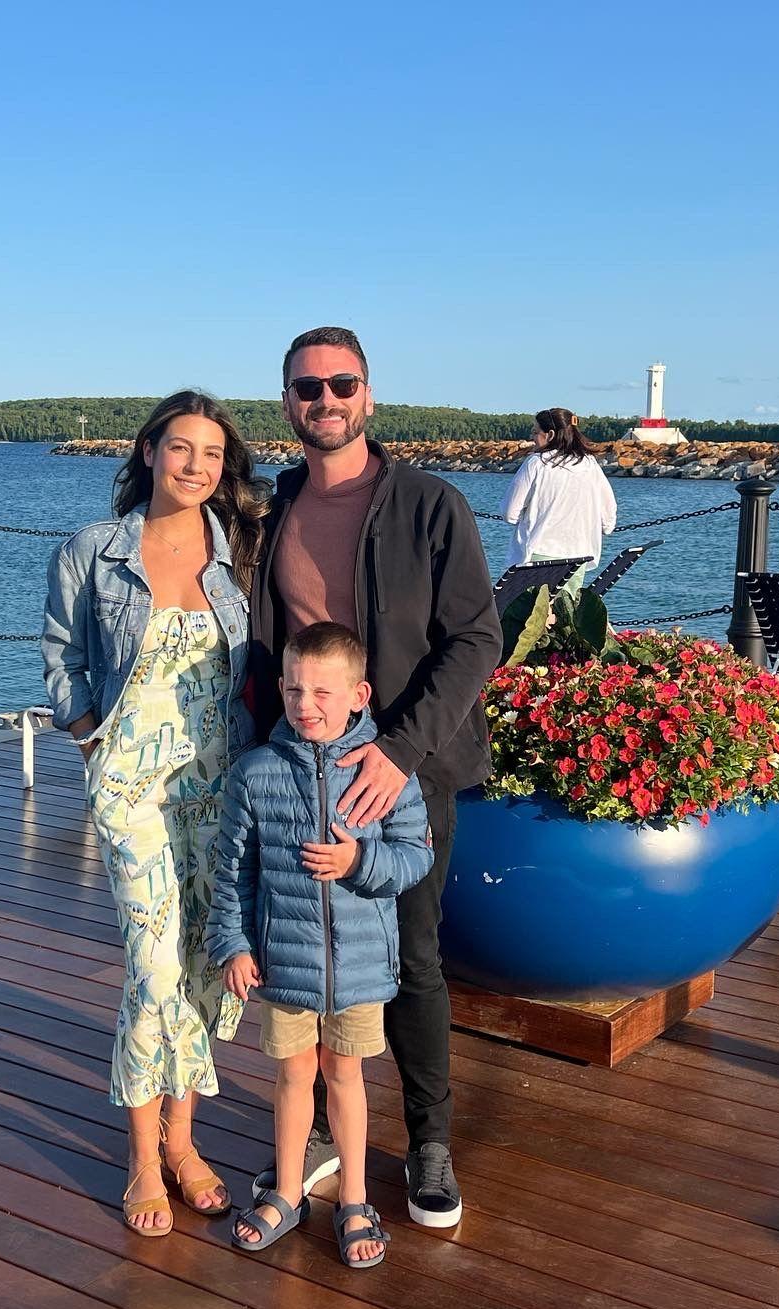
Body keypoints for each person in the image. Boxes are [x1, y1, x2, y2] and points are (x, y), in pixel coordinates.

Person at [248, 326, 502, 1229]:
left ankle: (429, 1140)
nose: (325, 402)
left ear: (369, 395)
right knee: (300, 947)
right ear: (287, 404)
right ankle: (315, 1130)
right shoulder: (272, 509)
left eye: (341, 384)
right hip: (295, 767)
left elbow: (478, 638)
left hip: (405, 766)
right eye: (307, 389)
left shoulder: (431, 506)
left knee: (414, 955)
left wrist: (395, 751)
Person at [42, 389, 267, 1236]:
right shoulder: (94, 552)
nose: (196, 466)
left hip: (219, 780)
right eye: (181, 449)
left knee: (207, 957)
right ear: (149, 453)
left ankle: (184, 1141)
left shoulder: (238, 547)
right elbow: (61, 653)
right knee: (154, 963)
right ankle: (143, 1157)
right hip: (131, 786)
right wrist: (87, 736)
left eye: (212, 455)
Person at [208, 623, 432, 1267]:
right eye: (295, 689)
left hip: (361, 971)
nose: (306, 705)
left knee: (347, 1078)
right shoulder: (255, 773)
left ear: (359, 694)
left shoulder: (385, 774)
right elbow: (232, 871)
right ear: (279, 688)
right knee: (292, 1077)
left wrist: (360, 861)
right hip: (283, 966)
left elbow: (415, 856)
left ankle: (356, 1199)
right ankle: (286, 1191)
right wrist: (234, 945)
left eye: (323, 693)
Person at [502, 407, 617, 596]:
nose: (532, 437)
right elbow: (609, 517)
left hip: (537, 553)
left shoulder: (536, 463)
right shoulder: (589, 464)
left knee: (529, 619)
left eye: (535, 432)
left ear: (551, 434)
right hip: (577, 555)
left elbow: (509, 513)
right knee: (565, 617)